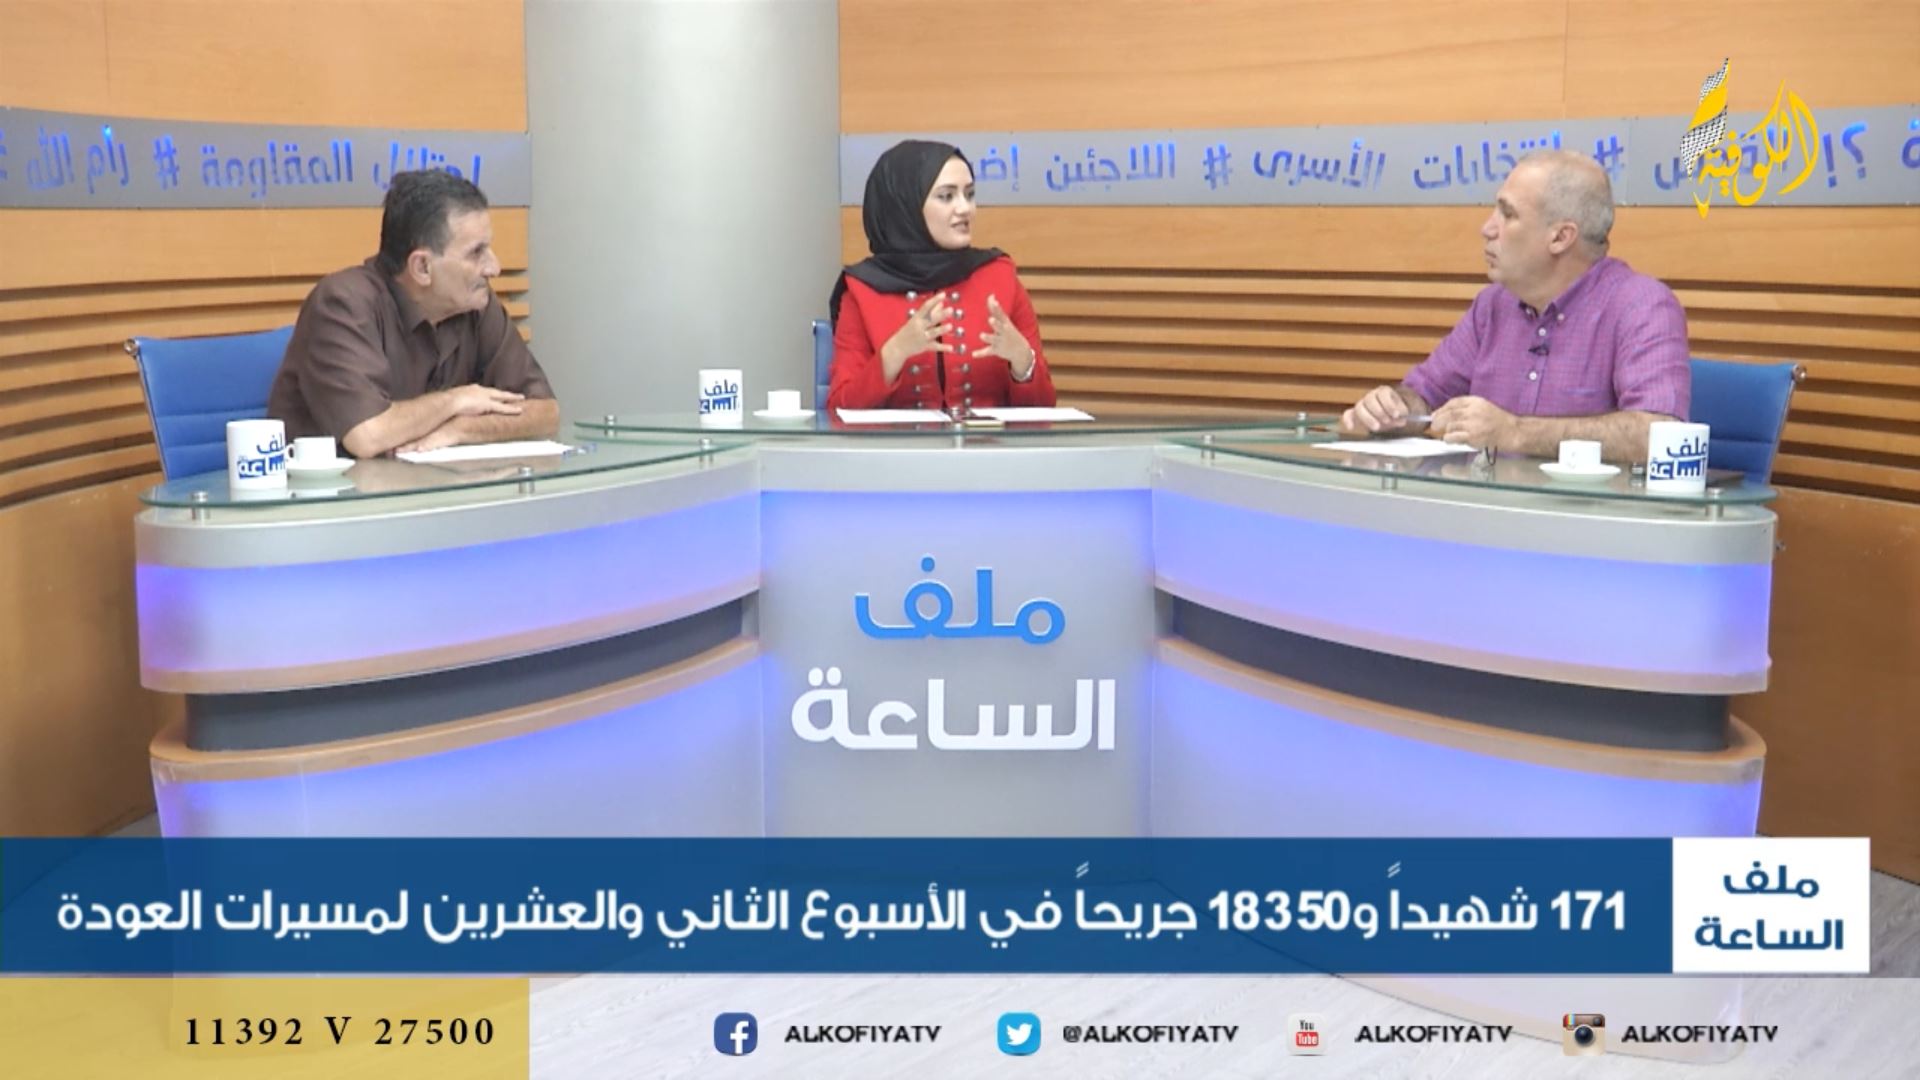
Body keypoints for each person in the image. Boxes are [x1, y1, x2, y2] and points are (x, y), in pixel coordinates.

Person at [1340, 149, 1688, 462]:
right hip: (1482, 508)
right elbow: (1424, 394)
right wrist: (1393, 409)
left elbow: (1659, 434)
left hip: (1588, 512)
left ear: (1560, 237)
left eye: (1507, 214)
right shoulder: (1493, 305)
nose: (1487, 228)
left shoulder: (1641, 306)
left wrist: (1516, 432)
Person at [267, 170, 559, 458]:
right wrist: (455, 400)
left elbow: (546, 413)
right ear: (422, 267)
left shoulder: (474, 303)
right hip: (340, 487)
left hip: (432, 483)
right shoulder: (342, 304)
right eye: (476, 252)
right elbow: (367, 436)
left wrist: (463, 429)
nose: (494, 267)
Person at [828, 140, 1056, 412]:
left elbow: (1043, 414)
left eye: (969, 194)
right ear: (906, 205)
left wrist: (1022, 361)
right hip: (895, 441)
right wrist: (895, 352)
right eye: (947, 196)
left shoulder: (1000, 276)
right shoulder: (862, 290)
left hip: (987, 440)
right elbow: (839, 412)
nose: (965, 208)